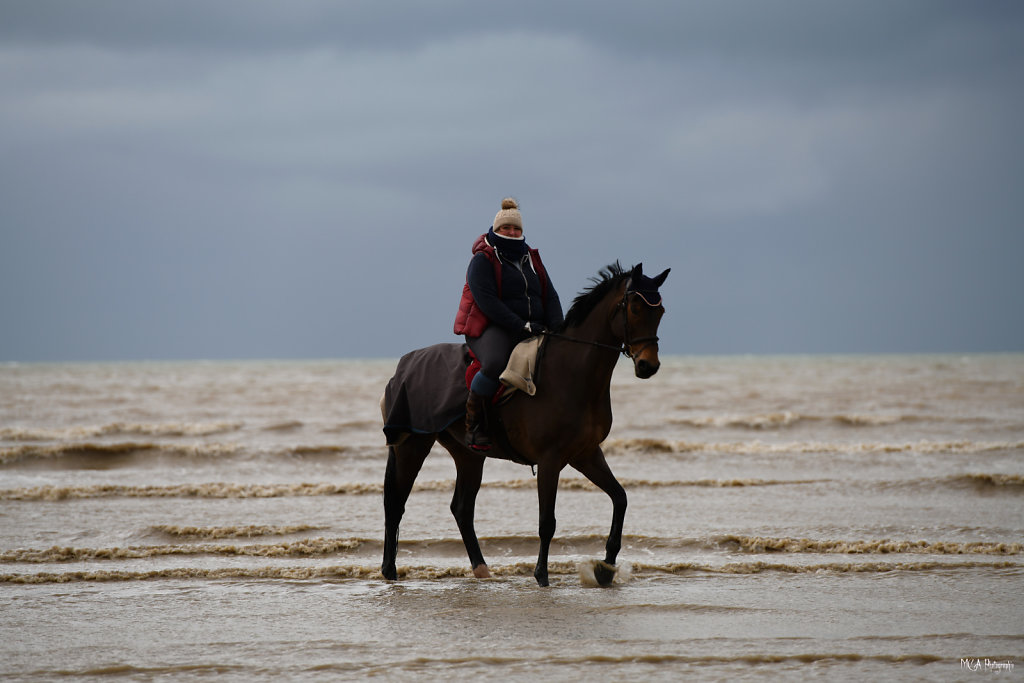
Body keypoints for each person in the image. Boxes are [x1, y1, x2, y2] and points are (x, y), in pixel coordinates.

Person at [453, 197, 564, 450]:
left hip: (530, 326)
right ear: (496, 229)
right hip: (490, 326)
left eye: (516, 229)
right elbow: (487, 302)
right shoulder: (482, 259)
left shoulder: (532, 259)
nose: (512, 232)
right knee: (493, 364)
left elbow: (550, 296)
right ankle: (474, 424)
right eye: (506, 228)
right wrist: (521, 325)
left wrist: (558, 328)